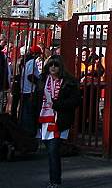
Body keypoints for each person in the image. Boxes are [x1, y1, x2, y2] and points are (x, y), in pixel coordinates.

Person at [34, 56, 80, 188]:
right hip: (45, 118)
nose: (53, 67)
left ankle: (55, 181)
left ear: (61, 67)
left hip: (60, 119)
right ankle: (54, 179)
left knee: (53, 150)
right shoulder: (43, 81)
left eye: (56, 65)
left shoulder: (69, 82)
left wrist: (57, 105)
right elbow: (37, 99)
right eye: (51, 65)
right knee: (50, 150)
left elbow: (75, 101)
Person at [20, 45, 42, 136]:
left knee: (26, 112)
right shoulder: (32, 62)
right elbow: (30, 76)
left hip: (25, 90)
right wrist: (39, 83)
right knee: (30, 113)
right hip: (30, 91)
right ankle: (29, 132)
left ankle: (25, 132)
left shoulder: (26, 61)